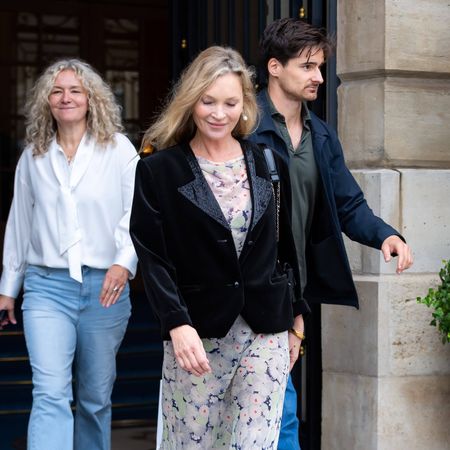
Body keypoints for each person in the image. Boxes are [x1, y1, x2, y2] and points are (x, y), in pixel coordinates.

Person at [130, 46, 310, 449]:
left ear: (245, 105)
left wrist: (298, 320)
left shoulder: (268, 161)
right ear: (192, 101)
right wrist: (176, 324)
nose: (218, 113)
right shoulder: (159, 170)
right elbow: (153, 257)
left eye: (230, 103)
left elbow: (285, 247)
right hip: (196, 337)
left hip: (265, 330)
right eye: (208, 101)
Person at [248, 18, 414, 450]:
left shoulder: (321, 135)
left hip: (291, 293)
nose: (319, 77)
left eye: (320, 66)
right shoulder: (244, 130)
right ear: (274, 67)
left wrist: (385, 236)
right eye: (307, 66)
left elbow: (348, 204)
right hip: (247, 291)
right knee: (271, 412)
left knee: (278, 410)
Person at [0, 59, 139, 450]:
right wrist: (9, 287)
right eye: (57, 91)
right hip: (46, 287)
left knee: (95, 400)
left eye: (75, 90)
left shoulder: (118, 149)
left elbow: (138, 212)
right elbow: (20, 222)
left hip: (104, 289)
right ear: (47, 101)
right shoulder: (34, 155)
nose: (66, 98)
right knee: (49, 392)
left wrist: (123, 262)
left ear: (92, 99)